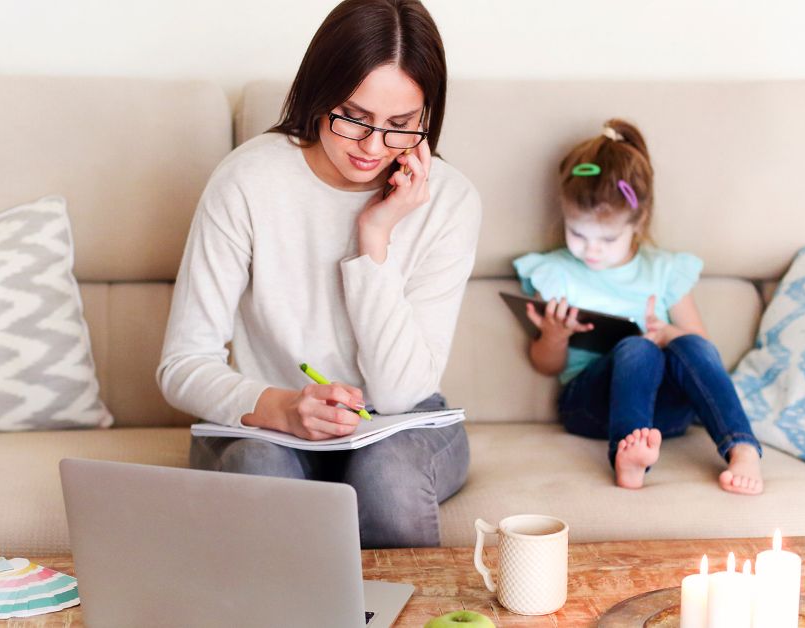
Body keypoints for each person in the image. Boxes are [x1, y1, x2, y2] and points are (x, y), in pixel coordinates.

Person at [156, 0, 481, 547]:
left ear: (427, 117)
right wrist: (282, 408)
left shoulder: (451, 201)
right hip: (272, 424)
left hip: (398, 424)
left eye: (400, 126)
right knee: (261, 470)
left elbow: (399, 393)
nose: (373, 148)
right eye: (353, 117)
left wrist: (374, 238)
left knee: (388, 477)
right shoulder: (248, 181)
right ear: (317, 91)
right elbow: (181, 364)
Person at [512, 119, 764, 495]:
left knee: (684, 345)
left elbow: (701, 350)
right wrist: (554, 336)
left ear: (638, 221)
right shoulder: (556, 274)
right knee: (636, 348)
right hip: (591, 408)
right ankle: (626, 457)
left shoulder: (663, 271)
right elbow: (545, 365)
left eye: (607, 238)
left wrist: (667, 334)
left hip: (669, 414)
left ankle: (742, 447)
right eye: (577, 233)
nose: (591, 250)